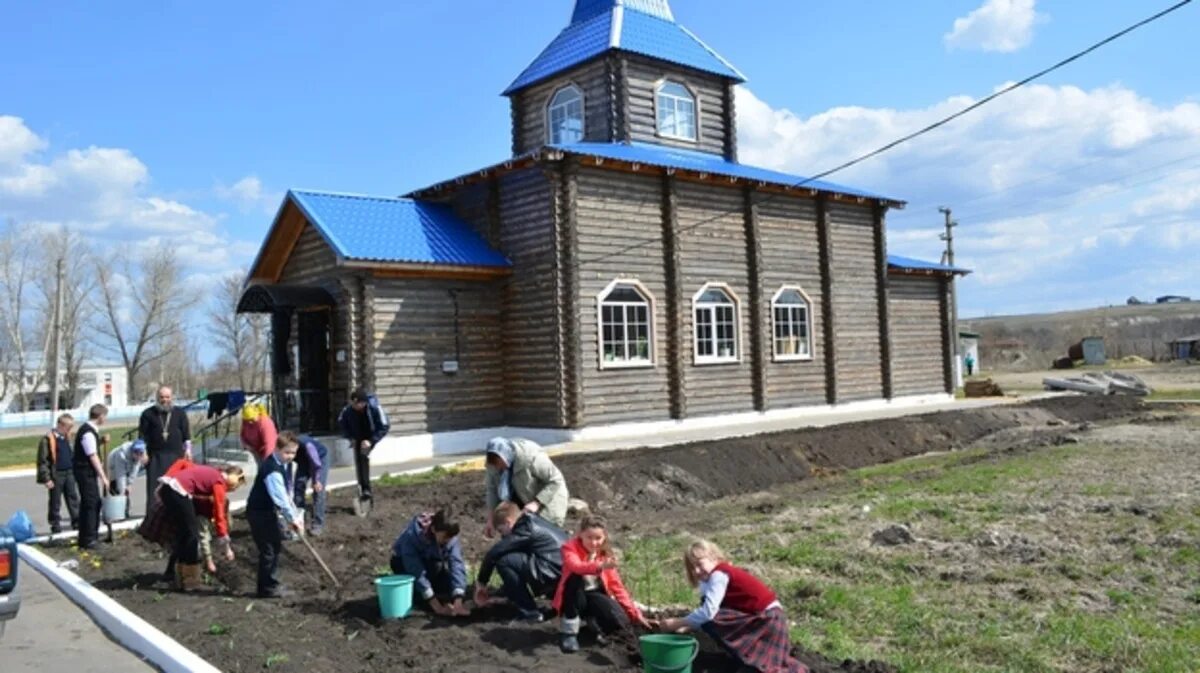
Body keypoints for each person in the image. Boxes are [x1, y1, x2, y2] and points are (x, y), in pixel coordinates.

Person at [655, 540, 807, 673]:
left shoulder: (719, 575)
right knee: (711, 619)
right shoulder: (714, 578)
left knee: (712, 619)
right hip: (763, 617)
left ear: (714, 558)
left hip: (768, 620)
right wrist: (689, 626)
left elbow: (709, 612)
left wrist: (678, 622)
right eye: (692, 568)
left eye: (700, 564)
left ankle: (750, 663)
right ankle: (746, 662)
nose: (696, 571)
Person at [553, 515, 651, 653]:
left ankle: (594, 626)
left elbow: (616, 586)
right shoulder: (569, 548)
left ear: (604, 537)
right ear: (581, 535)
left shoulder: (605, 554)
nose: (593, 543)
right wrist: (600, 566)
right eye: (589, 538)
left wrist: (634, 613)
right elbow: (576, 566)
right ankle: (568, 633)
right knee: (575, 579)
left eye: (598, 538)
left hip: (594, 593)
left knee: (617, 616)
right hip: (573, 595)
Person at [473, 502, 568, 622]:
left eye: (501, 531)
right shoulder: (532, 520)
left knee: (504, 561)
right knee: (513, 558)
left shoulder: (524, 528)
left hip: (552, 571)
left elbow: (494, 553)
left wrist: (481, 582)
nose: (503, 536)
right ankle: (514, 600)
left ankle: (530, 613)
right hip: (561, 569)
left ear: (508, 522)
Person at [157, 460, 244, 589]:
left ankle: (179, 576)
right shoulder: (219, 482)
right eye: (234, 487)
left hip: (169, 490)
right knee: (192, 535)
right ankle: (191, 580)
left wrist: (167, 478)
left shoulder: (212, 473)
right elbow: (219, 513)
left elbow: (183, 463)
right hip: (178, 492)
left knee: (184, 534)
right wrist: (224, 539)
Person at [246, 432, 305, 598]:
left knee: (275, 546)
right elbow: (280, 499)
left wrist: (294, 517)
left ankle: (270, 583)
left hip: (267, 512)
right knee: (268, 550)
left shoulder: (282, 465)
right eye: (287, 452)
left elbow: (287, 496)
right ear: (277, 448)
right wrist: (292, 519)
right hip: (258, 513)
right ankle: (265, 589)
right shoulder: (272, 469)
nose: (291, 456)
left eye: (294, 453)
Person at [389, 509, 470, 617]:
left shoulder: (450, 536)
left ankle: (432, 593)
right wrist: (436, 606)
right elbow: (415, 570)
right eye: (444, 537)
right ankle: (419, 597)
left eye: (450, 538)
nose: (447, 541)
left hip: (430, 560)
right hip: (402, 562)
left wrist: (458, 598)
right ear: (433, 529)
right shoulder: (413, 536)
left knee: (446, 584)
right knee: (418, 592)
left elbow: (456, 563)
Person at [483, 437, 569, 533]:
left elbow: (555, 480)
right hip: (524, 501)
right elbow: (492, 490)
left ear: (506, 455)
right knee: (518, 533)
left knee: (543, 535)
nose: (499, 468)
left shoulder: (530, 457)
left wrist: (537, 502)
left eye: (500, 463)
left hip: (550, 499)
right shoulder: (493, 466)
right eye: (496, 465)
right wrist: (491, 519)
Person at [139, 386, 192, 515]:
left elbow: (186, 435)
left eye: (167, 397)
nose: (164, 400)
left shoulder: (179, 413)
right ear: (157, 398)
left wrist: (188, 450)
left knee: (177, 486)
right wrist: (143, 453)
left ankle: (177, 513)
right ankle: (153, 516)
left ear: (172, 397)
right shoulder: (148, 414)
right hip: (156, 456)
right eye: (162, 397)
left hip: (176, 456)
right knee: (154, 488)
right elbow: (142, 436)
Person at [338, 388, 389, 510]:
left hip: (370, 436)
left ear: (363, 403)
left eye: (357, 404)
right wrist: (350, 438)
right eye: (353, 403)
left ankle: (366, 490)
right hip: (357, 436)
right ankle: (362, 490)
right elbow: (342, 424)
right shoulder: (348, 410)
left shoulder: (374, 408)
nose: (354, 406)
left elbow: (384, 426)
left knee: (363, 457)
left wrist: (371, 441)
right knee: (358, 461)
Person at [74, 404, 111, 550]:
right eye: (105, 416)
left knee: (89, 503)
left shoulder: (90, 432)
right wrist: (103, 476)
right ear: (100, 416)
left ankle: (86, 536)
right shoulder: (88, 432)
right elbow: (92, 456)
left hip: (86, 472)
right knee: (92, 504)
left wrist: (100, 441)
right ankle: (89, 539)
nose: (105, 419)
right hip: (85, 472)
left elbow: (91, 448)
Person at [36, 413, 79, 534]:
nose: (69, 430)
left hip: (69, 472)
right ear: (60, 425)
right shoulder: (48, 439)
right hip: (57, 474)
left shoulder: (68, 438)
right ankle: (55, 524)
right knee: (55, 501)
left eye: (71, 427)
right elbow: (43, 460)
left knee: (73, 498)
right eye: (67, 427)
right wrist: (46, 478)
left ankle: (76, 521)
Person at [293, 434, 330, 536]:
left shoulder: (307, 445)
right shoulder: (284, 448)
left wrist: (316, 480)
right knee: (298, 487)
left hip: (320, 458)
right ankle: (300, 521)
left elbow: (315, 463)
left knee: (318, 491)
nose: (290, 455)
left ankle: (318, 524)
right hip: (303, 461)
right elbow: (286, 468)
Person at [106, 439, 148, 520]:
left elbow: (134, 471)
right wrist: (123, 491)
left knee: (126, 491)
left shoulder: (140, 454)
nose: (139, 454)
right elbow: (120, 475)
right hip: (113, 469)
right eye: (137, 452)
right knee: (117, 490)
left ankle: (125, 511)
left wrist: (130, 484)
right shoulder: (121, 455)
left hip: (127, 468)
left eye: (141, 453)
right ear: (132, 451)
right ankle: (118, 513)